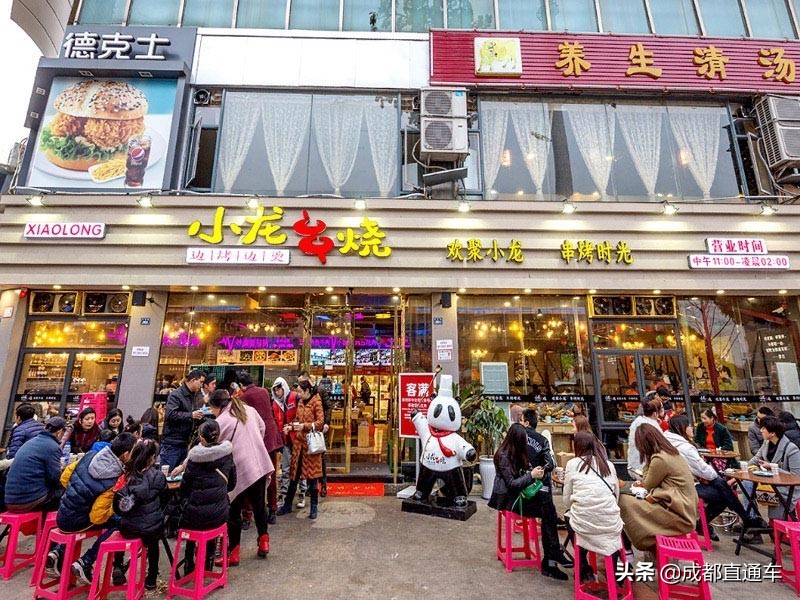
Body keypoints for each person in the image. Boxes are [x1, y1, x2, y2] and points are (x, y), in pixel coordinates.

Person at [664, 415, 766, 542]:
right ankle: (746, 519)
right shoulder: (685, 447)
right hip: (684, 486)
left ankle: (743, 519)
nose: (691, 427)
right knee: (721, 489)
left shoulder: (669, 441)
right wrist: (706, 476)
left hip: (681, 482)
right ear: (682, 428)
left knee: (721, 487)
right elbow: (706, 472)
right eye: (689, 425)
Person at [50, 433, 136, 583]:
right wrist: (112, 508)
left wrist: (78, 494)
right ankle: (85, 562)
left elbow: (64, 479)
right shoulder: (114, 478)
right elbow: (97, 517)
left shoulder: (89, 455)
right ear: (126, 454)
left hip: (62, 513)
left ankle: (58, 550)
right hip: (76, 522)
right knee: (118, 523)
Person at [208, 389, 274, 565]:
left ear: (216, 406)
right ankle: (264, 542)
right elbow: (262, 427)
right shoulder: (249, 410)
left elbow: (213, 446)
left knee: (234, 510)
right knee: (260, 506)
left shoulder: (221, 421)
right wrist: (255, 443)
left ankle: (234, 552)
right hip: (258, 463)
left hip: (237, 469)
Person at [488, 423, 559, 570]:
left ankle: (553, 553)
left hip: (514, 495)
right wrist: (531, 475)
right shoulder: (503, 456)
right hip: (507, 499)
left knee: (547, 507)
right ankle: (552, 555)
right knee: (547, 509)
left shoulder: (512, 452)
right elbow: (512, 484)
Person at [618, 424, 697, 552]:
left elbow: (647, 484)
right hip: (684, 508)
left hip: (678, 515)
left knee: (623, 501)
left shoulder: (659, 459)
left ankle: (635, 545)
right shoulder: (670, 453)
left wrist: (647, 459)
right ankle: (631, 546)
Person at [563, 431, 624, 585]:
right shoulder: (608, 465)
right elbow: (615, 497)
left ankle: (583, 566)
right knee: (606, 524)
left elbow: (566, 501)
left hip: (585, 526)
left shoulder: (572, 464)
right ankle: (616, 571)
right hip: (611, 525)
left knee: (570, 517)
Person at [519, 408, 572, 579]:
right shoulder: (541, 439)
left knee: (547, 510)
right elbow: (551, 463)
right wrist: (540, 471)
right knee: (548, 510)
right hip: (530, 496)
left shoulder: (515, 438)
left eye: (521, 420)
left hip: (519, 492)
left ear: (527, 423)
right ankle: (552, 558)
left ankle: (551, 560)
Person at [178, 420, 236, 576]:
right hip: (219, 514)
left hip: (194, 516)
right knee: (212, 520)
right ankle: (207, 564)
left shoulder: (193, 459)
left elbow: (184, 489)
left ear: (201, 439)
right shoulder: (227, 455)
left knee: (191, 518)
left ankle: (189, 562)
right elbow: (231, 485)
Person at [114, 439, 167, 590]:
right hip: (152, 529)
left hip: (129, 528)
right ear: (153, 458)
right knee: (154, 543)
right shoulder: (158, 476)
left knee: (120, 524)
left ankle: (118, 565)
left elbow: (118, 507)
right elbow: (164, 498)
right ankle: (151, 578)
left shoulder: (126, 476)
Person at [276, 380, 325, 520]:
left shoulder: (316, 402)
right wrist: (291, 427)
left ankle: (314, 507)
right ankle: (287, 505)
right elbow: (297, 419)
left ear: (308, 390)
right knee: (294, 476)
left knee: (312, 478)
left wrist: (304, 426)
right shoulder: (301, 402)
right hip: (298, 445)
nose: (298, 394)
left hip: (311, 447)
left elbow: (320, 422)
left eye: (300, 392)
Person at [240, 372, 283, 523]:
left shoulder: (243, 397)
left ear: (240, 385)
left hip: (256, 440)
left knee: (249, 477)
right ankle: (272, 509)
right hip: (271, 438)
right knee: (271, 475)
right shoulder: (264, 392)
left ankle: (247, 515)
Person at [5, 416, 67, 513]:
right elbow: (55, 478)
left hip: (10, 499)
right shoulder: (52, 446)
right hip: (28, 501)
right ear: (59, 432)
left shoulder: (31, 442)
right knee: (67, 494)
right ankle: (48, 527)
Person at [747, 416, 800, 520]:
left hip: (788, 488)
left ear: (772, 433)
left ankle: (778, 526)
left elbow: (797, 477)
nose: (760, 430)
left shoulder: (791, 449)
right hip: (772, 484)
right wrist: (742, 470)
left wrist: (772, 467)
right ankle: (752, 519)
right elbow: (756, 459)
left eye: (763, 428)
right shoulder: (766, 443)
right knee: (746, 485)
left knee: (768, 493)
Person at [160, 370, 205, 471]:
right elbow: (170, 414)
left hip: (184, 441)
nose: (201, 385)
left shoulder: (193, 396)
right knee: (168, 473)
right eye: (200, 382)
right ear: (193, 380)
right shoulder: (176, 395)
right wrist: (191, 415)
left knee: (179, 474)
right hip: (172, 443)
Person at [272, 377, 307, 506]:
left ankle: (302, 493)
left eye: (279, 389)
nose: (277, 392)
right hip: (286, 440)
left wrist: (292, 425)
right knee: (286, 468)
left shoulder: (295, 397)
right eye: (275, 390)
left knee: (300, 467)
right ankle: (284, 495)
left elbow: (301, 414)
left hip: (298, 438)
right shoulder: (275, 404)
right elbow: (276, 421)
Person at [298, 371, 331, 497]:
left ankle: (322, 485)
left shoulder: (320, 391)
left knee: (320, 458)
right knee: (307, 458)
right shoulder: (302, 397)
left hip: (318, 430)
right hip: (305, 432)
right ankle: (309, 486)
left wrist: (326, 423)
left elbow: (328, 407)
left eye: (301, 381)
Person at [627, 400, 662, 480]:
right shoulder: (652, 426)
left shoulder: (637, 422)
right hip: (645, 468)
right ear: (655, 413)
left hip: (633, 465)